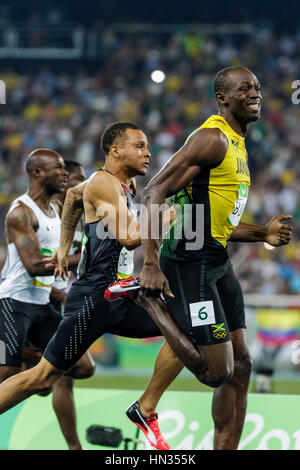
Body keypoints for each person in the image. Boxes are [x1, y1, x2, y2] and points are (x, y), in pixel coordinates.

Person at [133, 66, 292, 450]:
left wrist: (262, 234)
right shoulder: (212, 138)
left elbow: (215, 221)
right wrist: (150, 265)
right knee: (217, 372)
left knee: (243, 366)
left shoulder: (238, 142)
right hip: (190, 261)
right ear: (223, 97)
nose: (255, 93)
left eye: (257, 86)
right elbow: (152, 193)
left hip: (215, 257)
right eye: (244, 89)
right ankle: (149, 302)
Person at [0, 123, 184, 451]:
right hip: (94, 299)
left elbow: (72, 197)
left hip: (122, 296)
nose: (148, 153)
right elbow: (127, 239)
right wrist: (166, 215)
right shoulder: (102, 182)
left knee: (185, 327)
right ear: (115, 150)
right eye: (139, 146)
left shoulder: (125, 186)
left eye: (147, 146)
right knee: (41, 378)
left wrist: (62, 246)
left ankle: (145, 407)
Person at [0, 148, 94, 450]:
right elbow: (34, 265)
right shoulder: (21, 212)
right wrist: (88, 258)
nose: (65, 174)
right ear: (37, 173)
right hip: (13, 304)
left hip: (42, 306)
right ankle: (16, 354)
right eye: (59, 169)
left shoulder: (56, 211)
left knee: (82, 366)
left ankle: (27, 354)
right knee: (7, 377)